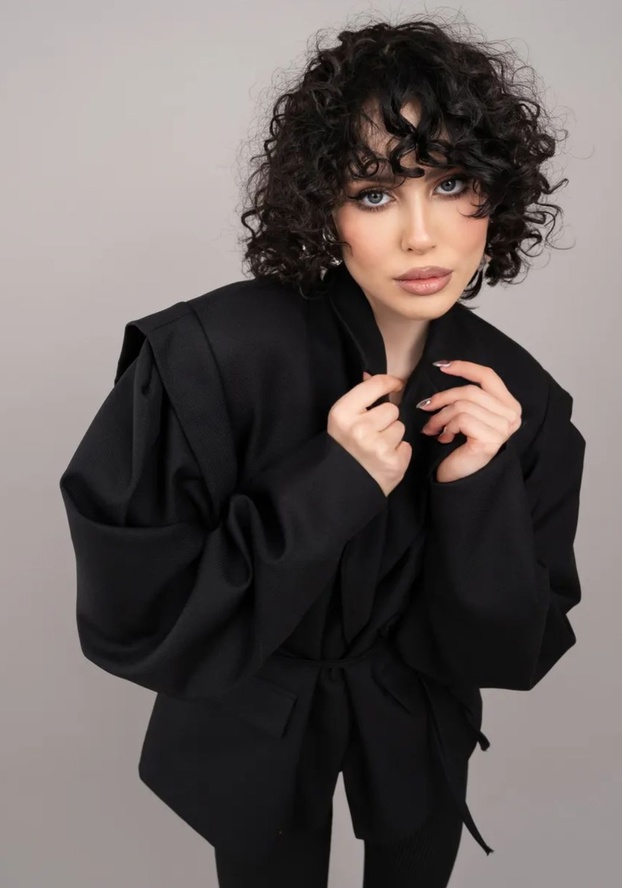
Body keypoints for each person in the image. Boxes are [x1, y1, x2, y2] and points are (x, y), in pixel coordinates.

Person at [58, 13, 586, 888]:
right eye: (374, 194)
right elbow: (132, 610)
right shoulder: (208, 358)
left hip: (417, 724)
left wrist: (475, 490)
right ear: (321, 207)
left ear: (498, 193)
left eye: (453, 183)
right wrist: (329, 487)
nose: (422, 236)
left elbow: (509, 652)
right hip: (251, 716)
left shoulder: (518, 399)